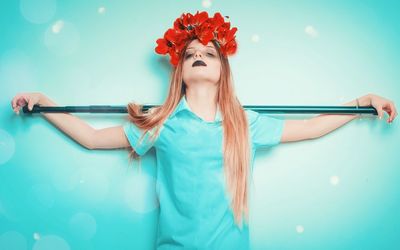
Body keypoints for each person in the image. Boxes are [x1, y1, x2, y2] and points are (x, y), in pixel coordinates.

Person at [11, 11, 397, 250]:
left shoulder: (245, 123)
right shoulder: (162, 124)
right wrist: (44, 101)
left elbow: (314, 128)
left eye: (209, 53)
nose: (198, 56)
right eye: (191, 54)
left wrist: (362, 102)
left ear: (222, 71)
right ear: (180, 70)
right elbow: (93, 139)